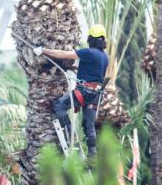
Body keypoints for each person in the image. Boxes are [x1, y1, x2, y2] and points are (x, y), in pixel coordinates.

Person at [33, 24, 109, 157]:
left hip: (84, 92)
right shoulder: (104, 57)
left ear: (91, 39)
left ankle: (71, 136)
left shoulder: (88, 52)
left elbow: (63, 54)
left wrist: (43, 50)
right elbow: (91, 71)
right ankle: (93, 156)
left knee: (59, 106)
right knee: (88, 125)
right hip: (96, 94)